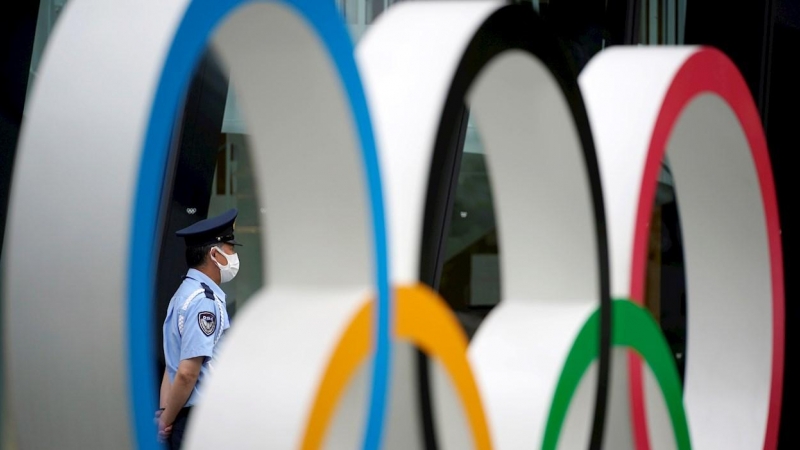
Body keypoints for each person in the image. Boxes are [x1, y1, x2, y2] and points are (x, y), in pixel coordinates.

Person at [156, 208, 240, 448]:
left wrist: (165, 414)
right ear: (214, 254)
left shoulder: (182, 295)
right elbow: (186, 372)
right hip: (199, 420)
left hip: (182, 417)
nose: (234, 256)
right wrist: (168, 419)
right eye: (231, 248)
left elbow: (171, 367)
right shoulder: (204, 301)